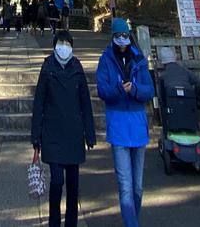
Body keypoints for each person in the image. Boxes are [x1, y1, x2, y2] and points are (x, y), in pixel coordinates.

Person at [31, 30, 96, 227]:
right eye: (61, 43)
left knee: (74, 184)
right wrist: (36, 137)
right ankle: (53, 222)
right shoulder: (47, 67)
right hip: (52, 132)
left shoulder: (77, 67)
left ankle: (71, 223)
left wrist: (89, 132)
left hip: (74, 133)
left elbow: (85, 101)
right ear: (54, 45)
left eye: (67, 43)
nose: (64, 47)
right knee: (57, 181)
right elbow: (39, 102)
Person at [96, 18, 154, 227]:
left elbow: (150, 90)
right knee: (125, 185)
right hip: (119, 125)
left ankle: (132, 219)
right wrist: (120, 89)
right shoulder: (105, 60)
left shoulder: (139, 60)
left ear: (129, 36)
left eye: (125, 35)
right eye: (118, 35)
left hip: (138, 125)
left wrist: (135, 90)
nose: (122, 39)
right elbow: (102, 90)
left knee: (137, 186)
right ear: (112, 37)